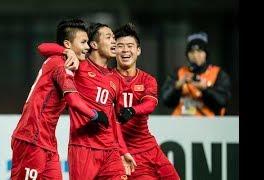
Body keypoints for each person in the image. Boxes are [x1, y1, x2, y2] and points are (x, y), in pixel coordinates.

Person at [10, 19, 109, 180]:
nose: (87, 47)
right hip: (32, 138)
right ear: (68, 44)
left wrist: (65, 51)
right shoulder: (60, 64)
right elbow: (73, 101)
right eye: (83, 42)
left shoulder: (63, 60)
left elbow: (43, 47)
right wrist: (96, 115)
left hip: (47, 141)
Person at [37, 22, 136, 180]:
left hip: (110, 150)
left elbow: (113, 119)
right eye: (109, 37)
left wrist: (123, 151)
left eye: (114, 38)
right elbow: (43, 48)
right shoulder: (78, 65)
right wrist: (67, 52)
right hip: (83, 148)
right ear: (94, 44)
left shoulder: (116, 79)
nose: (114, 41)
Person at [113, 23, 180, 179]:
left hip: (149, 146)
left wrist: (132, 110)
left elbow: (150, 104)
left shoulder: (147, 79)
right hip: (128, 151)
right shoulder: (108, 79)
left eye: (130, 46)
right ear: (114, 50)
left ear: (138, 50)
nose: (125, 50)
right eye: (120, 46)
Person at [161, 32, 231, 116]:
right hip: (181, 123)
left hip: (210, 124)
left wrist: (205, 89)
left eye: (199, 51)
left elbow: (223, 101)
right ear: (187, 55)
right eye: (192, 52)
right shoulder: (179, 73)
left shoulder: (218, 73)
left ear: (206, 53)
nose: (195, 55)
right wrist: (177, 86)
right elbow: (165, 100)